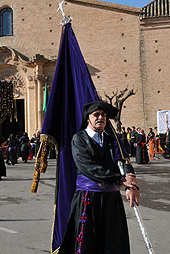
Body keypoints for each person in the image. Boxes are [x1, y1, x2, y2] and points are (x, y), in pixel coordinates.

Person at [59, 101, 138, 254]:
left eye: (103, 115)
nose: (100, 117)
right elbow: (88, 168)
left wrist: (132, 186)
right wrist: (120, 179)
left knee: (112, 242)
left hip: (111, 199)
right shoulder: (79, 139)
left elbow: (123, 160)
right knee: (88, 242)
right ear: (88, 118)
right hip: (89, 198)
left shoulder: (112, 140)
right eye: (96, 114)